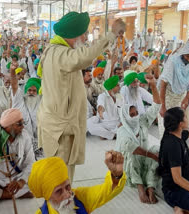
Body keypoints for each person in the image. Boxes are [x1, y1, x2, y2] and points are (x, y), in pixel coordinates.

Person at [37, 11, 126, 181]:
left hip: (62, 127)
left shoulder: (59, 51)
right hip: (59, 132)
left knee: (63, 176)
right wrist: (111, 34)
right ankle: (59, 207)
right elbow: (85, 57)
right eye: (84, 34)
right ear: (74, 35)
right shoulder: (59, 53)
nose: (86, 39)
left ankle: (61, 204)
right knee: (60, 179)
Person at [28, 152, 127, 214]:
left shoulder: (80, 198)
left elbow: (106, 191)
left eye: (67, 186)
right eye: (59, 191)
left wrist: (116, 174)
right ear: (47, 196)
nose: (67, 194)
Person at [115, 74, 161, 204]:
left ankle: (151, 187)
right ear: (126, 117)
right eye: (132, 115)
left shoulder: (142, 121)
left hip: (144, 161)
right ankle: (141, 188)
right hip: (129, 168)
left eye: (136, 114)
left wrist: (153, 85)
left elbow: (156, 105)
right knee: (133, 154)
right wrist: (151, 156)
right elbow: (131, 147)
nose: (135, 117)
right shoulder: (122, 130)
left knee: (157, 150)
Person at [158, 41, 189, 137]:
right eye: (187, 56)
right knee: (165, 125)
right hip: (166, 96)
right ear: (183, 53)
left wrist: (187, 98)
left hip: (181, 96)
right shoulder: (173, 61)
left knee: (178, 125)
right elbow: (163, 84)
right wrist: (162, 106)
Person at [10, 63, 42, 156]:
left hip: (40, 146)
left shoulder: (42, 102)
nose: (31, 93)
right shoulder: (19, 101)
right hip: (21, 146)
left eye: (34, 91)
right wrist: (12, 72)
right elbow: (14, 85)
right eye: (29, 90)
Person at [87, 76, 123, 140]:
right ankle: (113, 134)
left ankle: (107, 135)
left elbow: (123, 110)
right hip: (104, 124)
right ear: (112, 87)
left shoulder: (120, 96)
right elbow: (100, 105)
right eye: (117, 86)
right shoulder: (102, 96)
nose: (119, 87)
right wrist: (100, 111)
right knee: (89, 124)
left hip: (117, 124)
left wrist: (123, 122)